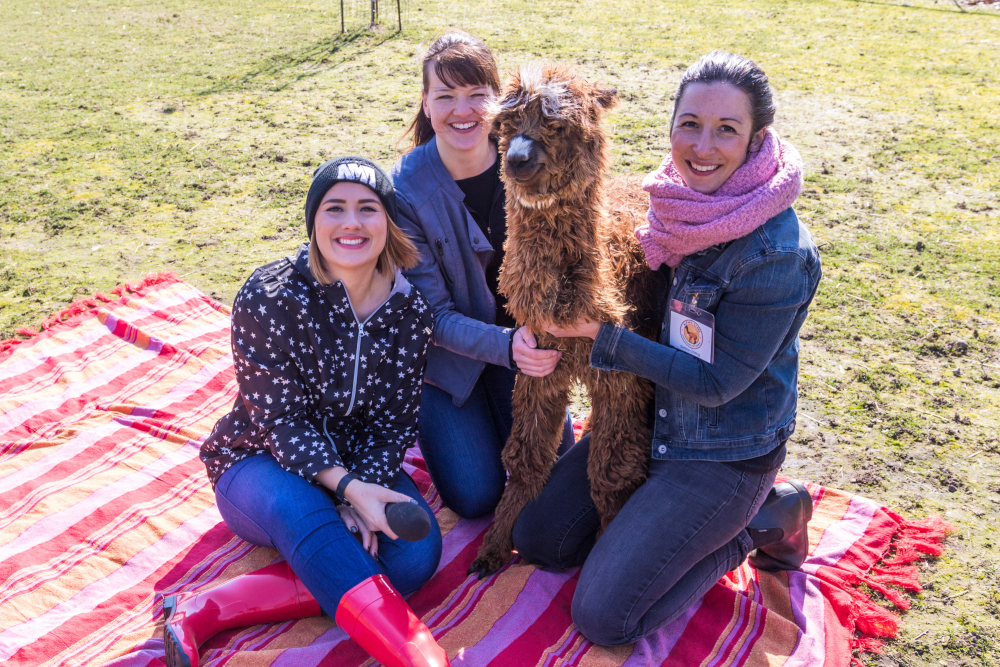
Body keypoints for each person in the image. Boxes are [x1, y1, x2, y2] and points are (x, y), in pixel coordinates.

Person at [512, 52, 822, 646]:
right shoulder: (673, 205)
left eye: (726, 130)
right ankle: (659, 531)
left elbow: (716, 383)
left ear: (757, 139)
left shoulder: (776, 254)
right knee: (542, 537)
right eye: (690, 124)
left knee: (605, 617)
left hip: (721, 453)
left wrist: (599, 337)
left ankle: (764, 520)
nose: (703, 146)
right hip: (650, 422)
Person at [163, 157, 450, 667]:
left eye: (368, 208)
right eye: (334, 208)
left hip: (355, 465)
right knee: (306, 513)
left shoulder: (411, 313)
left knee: (413, 555)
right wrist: (345, 489)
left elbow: (393, 424)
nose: (351, 223)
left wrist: (363, 488)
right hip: (256, 460)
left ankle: (205, 607)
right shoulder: (269, 294)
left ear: (388, 221)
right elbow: (279, 420)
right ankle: (423, 661)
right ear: (313, 221)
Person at [391, 32, 574, 520]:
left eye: (476, 94)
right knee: (475, 496)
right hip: (450, 362)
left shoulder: (530, 162)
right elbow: (432, 316)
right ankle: (431, 414)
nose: (462, 109)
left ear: (499, 101)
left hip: (529, 350)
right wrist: (507, 347)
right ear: (427, 105)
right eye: (445, 95)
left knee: (556, 482)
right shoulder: (405, 192)